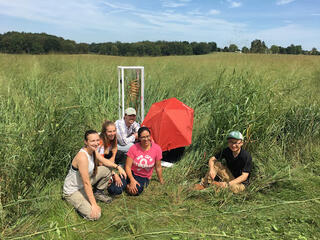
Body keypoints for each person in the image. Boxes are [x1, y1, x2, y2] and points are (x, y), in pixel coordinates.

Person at [63, 130, 126, 220]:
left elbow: (103, 161)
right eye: (93, 141)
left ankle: (98, 193)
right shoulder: (82, 157)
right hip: (73, 190)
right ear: (86, 142)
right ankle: (71, 200)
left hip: (84, 184)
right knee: (95, 215)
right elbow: (86, 183)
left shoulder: (93, 151)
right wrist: (94, 205)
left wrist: (118, 167)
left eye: (97, 140)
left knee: (107, 170)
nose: (96, 143)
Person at [125, 127, 164, 196]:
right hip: (131, 173)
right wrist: (132, 180)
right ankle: (126, 185)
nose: (146, 139)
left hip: (144, 177)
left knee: (136, 190)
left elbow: (158, 167)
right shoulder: (133, 148)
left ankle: (126, 187)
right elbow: (128, 167)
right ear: (139, 138)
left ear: (150, 136)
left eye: (147, 136)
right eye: (143, 137)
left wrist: (161, 180)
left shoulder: (157, 149)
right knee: (114, 189)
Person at [98, 120, 127, 195]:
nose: (112, 133)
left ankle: (123, 174)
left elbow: (114, 148)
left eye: (114, 131)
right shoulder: (100, 142)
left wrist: (113, 158)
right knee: (116, 190)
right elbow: (100, 162)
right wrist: (114, 174)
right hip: (97, 164)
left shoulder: (114, 137)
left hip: (106, 158)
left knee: (123, 155)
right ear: (104, 132)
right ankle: (108, 181)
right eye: (110, 132)